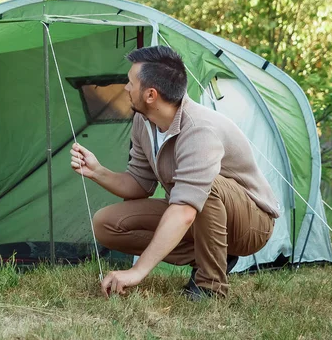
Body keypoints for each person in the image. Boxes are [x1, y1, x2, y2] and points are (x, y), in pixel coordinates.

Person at [70, 46, 279, 300]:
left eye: (130, 82)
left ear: (150, 94)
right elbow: (139, 183)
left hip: (251, 223)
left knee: (205, 188)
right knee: (106, 224)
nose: (125, 88)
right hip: (201, 215)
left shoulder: (200, 130)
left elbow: (185, 210)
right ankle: (212, 256)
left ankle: (210, 286)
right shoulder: (143, 121)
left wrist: (137, 272)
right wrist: (98, 172)